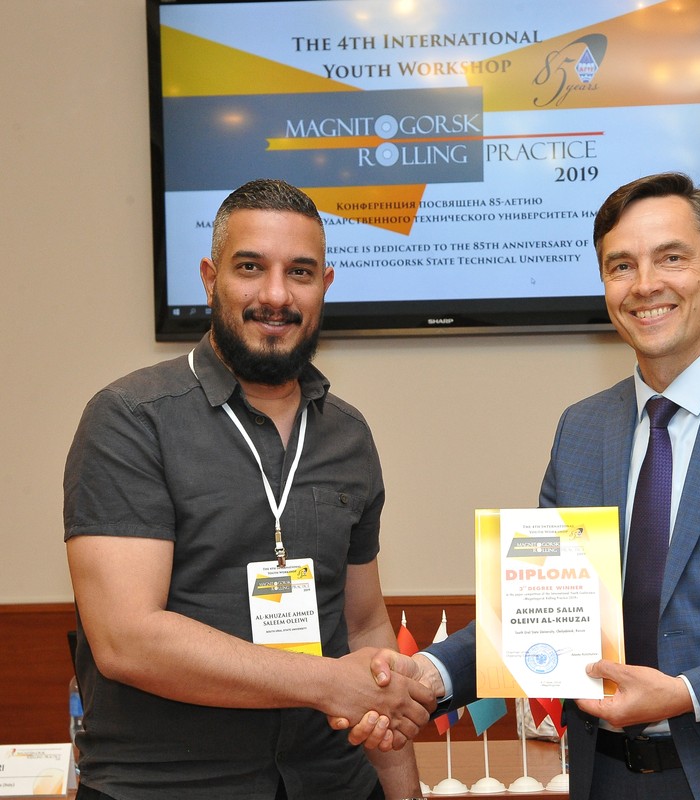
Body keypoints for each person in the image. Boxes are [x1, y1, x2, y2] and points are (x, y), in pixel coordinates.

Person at [361, 172, 700, 798]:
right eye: (621, 266)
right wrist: (429, 674)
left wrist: (688, 694)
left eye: (671, 258)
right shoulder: (582, 430)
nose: (645, 285)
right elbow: (542, 613)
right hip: (607, 777)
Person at [64, 179, 434, 800]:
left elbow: (365, 627)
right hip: (170, 787)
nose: (276, 295)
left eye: (300, 272)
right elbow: (127, 640)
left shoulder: (348, 435)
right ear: (210, 278)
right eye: (250, 268)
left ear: (325, 285)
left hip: (331, 782)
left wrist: (405, 793)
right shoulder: (131, 419)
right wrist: (327, 684)